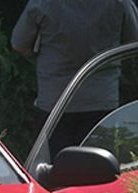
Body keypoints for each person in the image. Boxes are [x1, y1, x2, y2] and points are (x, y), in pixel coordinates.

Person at [11, 0, 138, 158]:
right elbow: (132, 43)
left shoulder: (43, 3)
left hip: (55, 103)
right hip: (102, 101)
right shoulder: (119, 2)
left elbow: (19, 43)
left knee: (53, 171)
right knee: (99, 169)